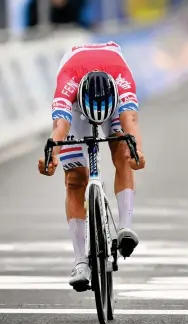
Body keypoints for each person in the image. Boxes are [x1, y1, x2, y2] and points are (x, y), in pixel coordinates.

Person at [38, 41, 146, 290]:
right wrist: (51, 155)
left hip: (112, 99)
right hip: (78, 107)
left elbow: (130, 120)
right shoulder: (68, 81)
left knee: (124, 153)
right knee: (75, 179)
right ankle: (80, 261)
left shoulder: (122, 77)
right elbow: (60, 127)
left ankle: (126, 227)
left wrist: (138, 151)